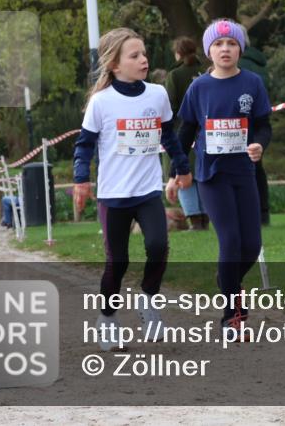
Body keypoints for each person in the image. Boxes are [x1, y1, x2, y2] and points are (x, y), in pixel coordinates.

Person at [72, 28, 193, 351]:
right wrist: (81, 180)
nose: (143, 60)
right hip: (113, 195)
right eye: (135, 55)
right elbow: (84, 146)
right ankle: (108, 318)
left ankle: (149, 301)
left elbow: (169, 136)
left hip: (147, 190)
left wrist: (182, 168)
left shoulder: (157, 94)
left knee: (158, 246)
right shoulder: (101, 102)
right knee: (118, 261)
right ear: (115, 64)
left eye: (144, 53)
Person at [167, 19, 272, 337]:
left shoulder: (252, 83)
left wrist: (259, 145)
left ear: (240, 49)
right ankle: (231, 317)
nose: (225, 49)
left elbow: (263, 126)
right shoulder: (198, 87)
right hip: (212, 176)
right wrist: (175, 173)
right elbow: (185, 133)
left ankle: (226, 280)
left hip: (245, 173)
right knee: (230, 241)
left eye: (231, 44)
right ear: (208, 51)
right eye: (218, 44)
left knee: (251, 245)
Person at [165, 36, 209, 231]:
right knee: (202, 176)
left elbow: (170, 106)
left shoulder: (175, 75)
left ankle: (195, 220)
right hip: (207, 131)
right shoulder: (207, 72)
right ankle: (206, 219)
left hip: (182, 131)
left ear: (178, 53)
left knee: (183, 175)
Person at [237, 31, 272, 226]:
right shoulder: (261, 64)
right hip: (257, 122)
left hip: (241, 122)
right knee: (257, 168)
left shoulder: (242, 68)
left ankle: (246, 212)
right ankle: (263, 213)